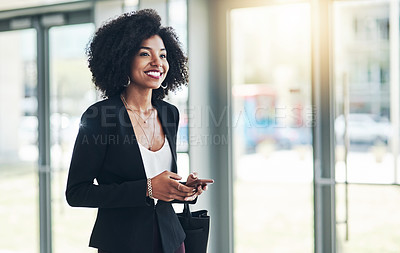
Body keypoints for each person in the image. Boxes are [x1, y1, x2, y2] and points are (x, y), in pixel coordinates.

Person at [65, 9, 209, 253]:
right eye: (145, 53)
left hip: (172, 239)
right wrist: (147, 188)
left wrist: (184, 189)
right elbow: (77, 193)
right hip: (123, 243)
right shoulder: (99, 116)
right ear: (122, 58)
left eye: (163, 55)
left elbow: (160, 186)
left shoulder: (169, 113)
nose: (157, 63)